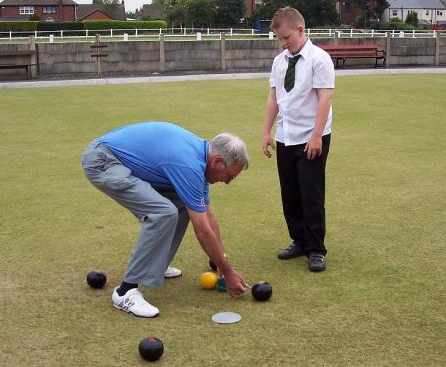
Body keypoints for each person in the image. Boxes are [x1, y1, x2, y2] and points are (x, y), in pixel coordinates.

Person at [81, 121, 249, 317]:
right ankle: (125, 292)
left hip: (114, 159)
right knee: (163, 212)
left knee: (183, 205)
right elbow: (202, 230)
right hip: (103, 161)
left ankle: (156, 266)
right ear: (218, 161)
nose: (228, 182)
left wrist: (222, 262)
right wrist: (229, 273)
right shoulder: (189, 165)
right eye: (230, 176)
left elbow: (208, 217)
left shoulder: (201, 161)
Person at [261, 7, 335, 272]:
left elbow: (325, 98)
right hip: (286, 136)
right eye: (280, 39)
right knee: (289, 192)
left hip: (311, 137)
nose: (283, 43)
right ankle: (299, 240)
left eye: (287, 38)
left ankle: (316, 249)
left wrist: (316, 137)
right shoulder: (280, 61)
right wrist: (267, 132)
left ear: (300, 30)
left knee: (311, 193)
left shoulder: (319, 59)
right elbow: (274, 98)